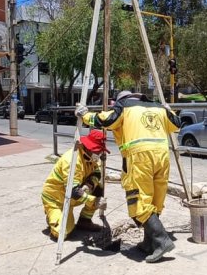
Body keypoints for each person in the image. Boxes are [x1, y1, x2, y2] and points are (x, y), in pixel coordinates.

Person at [75, 91, 180, 263]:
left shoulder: (124, 106)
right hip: (162, 156)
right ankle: (149, 242)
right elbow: (177, 125)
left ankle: (162, 241)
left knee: (138, 199)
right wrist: (170, 110)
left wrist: (84, 114)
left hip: (140, 157)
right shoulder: (158, 108)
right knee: (155, 198)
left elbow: (105, 120)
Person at [41, 130, 109, 239]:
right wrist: (94, 200)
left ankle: (84, 221)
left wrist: (89, 184)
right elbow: (74, 192)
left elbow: (97, 173)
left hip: (70, 196)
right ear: (88, 147)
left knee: (98, 188)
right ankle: (53, 217)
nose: (99, 154)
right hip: (56, 198)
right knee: (62, 233)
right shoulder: (72, 161)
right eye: (97, 151)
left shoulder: (89, 156)